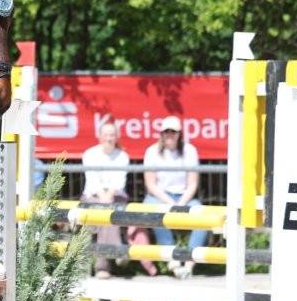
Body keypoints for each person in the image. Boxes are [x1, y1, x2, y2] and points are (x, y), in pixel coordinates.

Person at [81, 120, 156, 278]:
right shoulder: (89, 154)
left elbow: (118, 182)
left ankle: (102, 267)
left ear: (117, 137)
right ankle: (117, 250)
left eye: (112, 135)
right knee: (107, 212)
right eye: (106, 135)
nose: (109, 138)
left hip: (115, 197)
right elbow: (92, 180)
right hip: (93, 197)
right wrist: (103, 196)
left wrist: (108, 196)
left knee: (107, 212)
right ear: (99, 136)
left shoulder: (123, 156)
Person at [143, 115, 206, 276]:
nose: (169, 135)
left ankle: (189, 263)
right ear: (161, 134)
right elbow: (151, 185)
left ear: (179, 134)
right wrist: (169, 202)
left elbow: (192, 183)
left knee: (204, 216)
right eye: (166, 131)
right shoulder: (151, 151)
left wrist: (180, 203)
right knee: (154, 210)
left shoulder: (190, 151)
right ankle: (172, 259)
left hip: (185, 197)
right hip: (159, 197)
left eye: (173, 131)